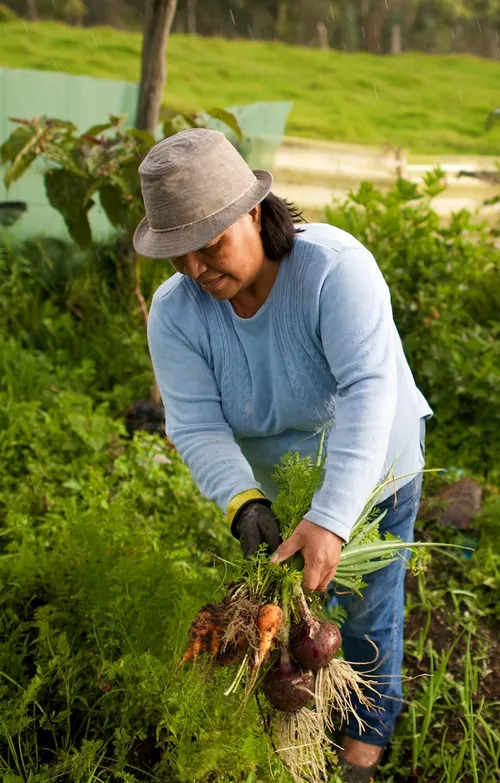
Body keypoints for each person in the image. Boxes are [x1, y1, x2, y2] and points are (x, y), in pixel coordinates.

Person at [133, 128, 432, 782]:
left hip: (375, 463)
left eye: (209, 247)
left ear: (253, 212)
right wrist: (245, 502)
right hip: (282, 480)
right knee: (299, 616)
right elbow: (196, 425)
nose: (195, 271)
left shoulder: (332, 269)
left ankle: (364, 743)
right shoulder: (175, 314)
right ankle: (310, 708)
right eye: (178, 256)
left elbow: (368, 390)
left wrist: (331, 518)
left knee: (368, 607)